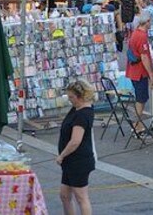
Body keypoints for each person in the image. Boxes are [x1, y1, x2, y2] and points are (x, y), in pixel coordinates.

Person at [56, 80, 96, 215]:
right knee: (64, 195)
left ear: (80, 96)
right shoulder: (76, 109)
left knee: (81, 197)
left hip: (78, 161)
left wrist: (62, 155)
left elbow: (75, 141)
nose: (70, 100)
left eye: (72, 97)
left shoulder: (83, 114)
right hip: (70, 161)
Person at [125, 13, 153, 133]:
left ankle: (137, 124)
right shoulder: (142, 36)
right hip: (139, 72)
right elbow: (144, 57)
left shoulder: (135, 33)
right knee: (141, 99)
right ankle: (137, 125)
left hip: (134, 71)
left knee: (141, 98)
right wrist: (151, 74)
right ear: (147, 21)